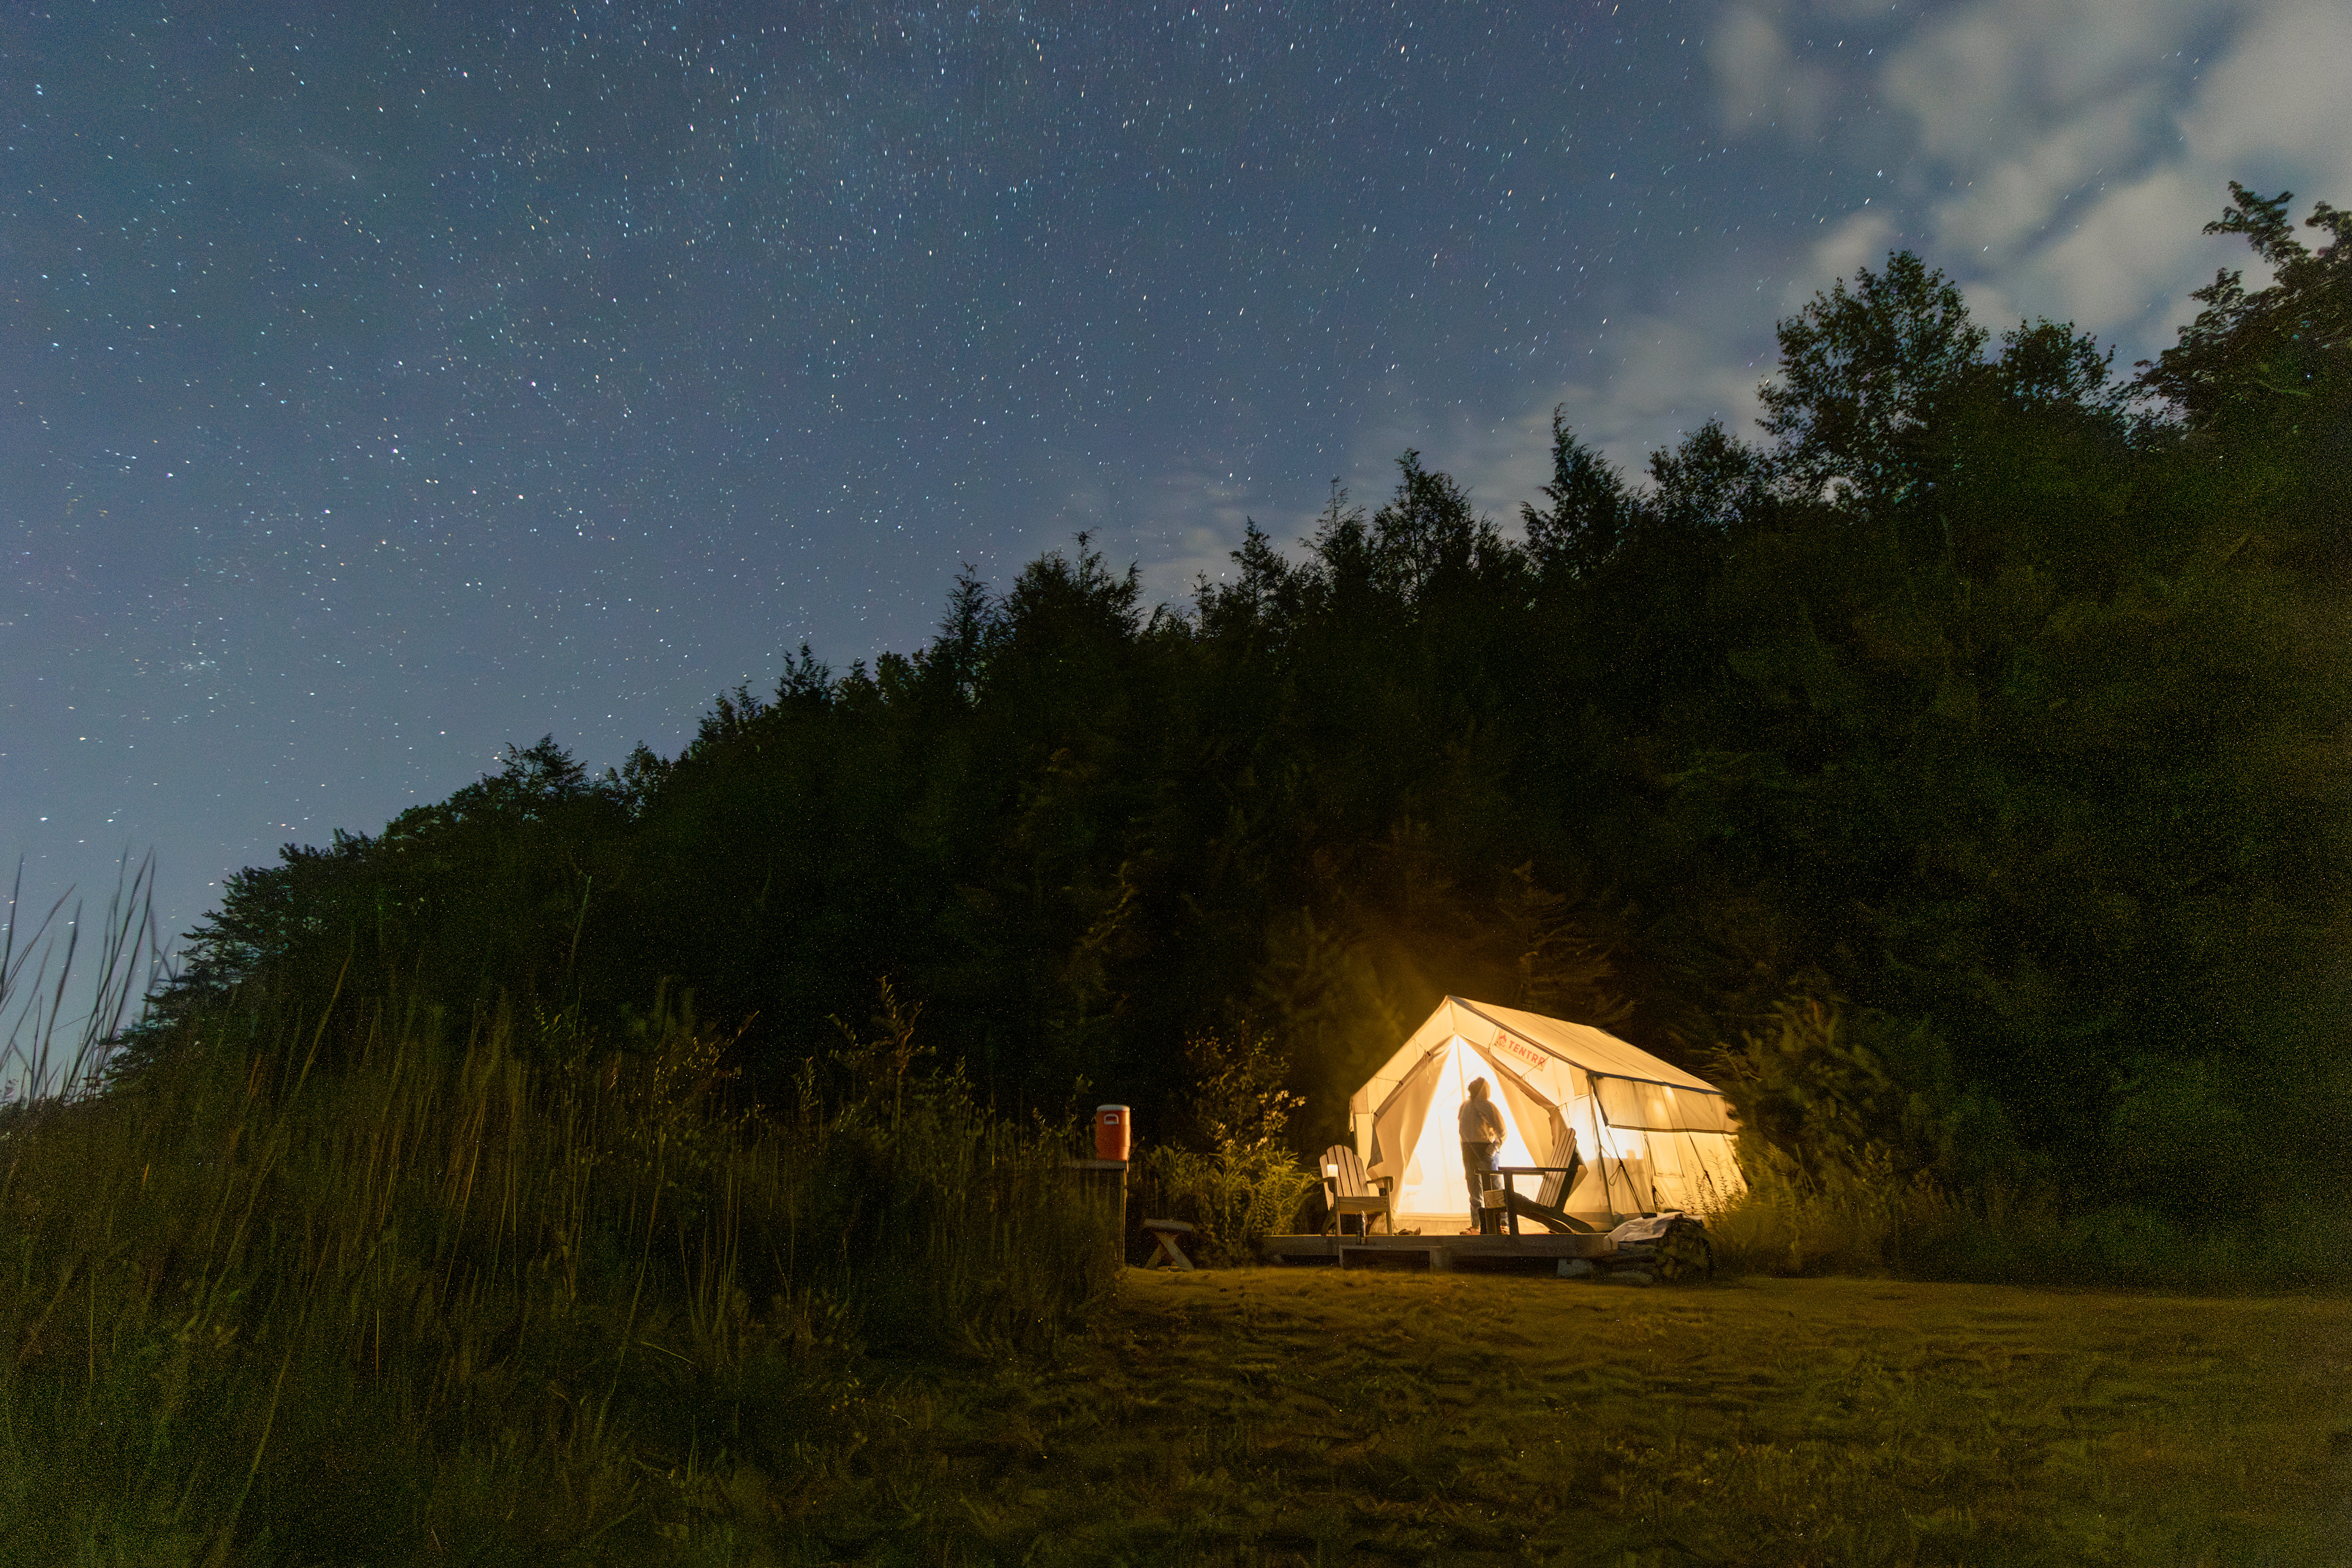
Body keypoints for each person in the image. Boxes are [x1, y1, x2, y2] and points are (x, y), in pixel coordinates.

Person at [1458, 1076, 1506, 1234]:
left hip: (1485, 1150)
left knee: (1494, 1187)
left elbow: (1502, 1130)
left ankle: (1502, 1224)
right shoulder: (1466, 1106)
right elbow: (1462, 1130)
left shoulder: (1487, 1106)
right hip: (1469, 1150)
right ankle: (1477, 1225)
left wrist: (1494, 1147)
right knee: (1474, 1187)